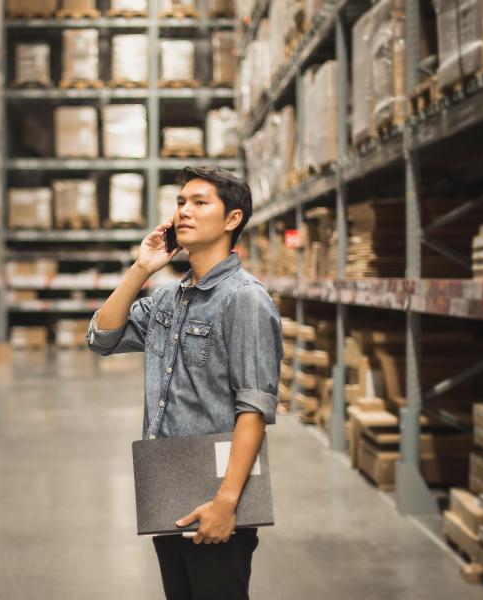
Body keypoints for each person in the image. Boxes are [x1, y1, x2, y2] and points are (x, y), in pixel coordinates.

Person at [85, 166, 283, 600]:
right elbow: (102, 338)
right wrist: (142, 268)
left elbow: (254, 409)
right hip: (168, 483)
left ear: (232, 219)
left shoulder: (245, 299)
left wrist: (226, 503)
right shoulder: (166, 299)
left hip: (215, 493)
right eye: (180, 203)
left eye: (199, 202)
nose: (184, 212)